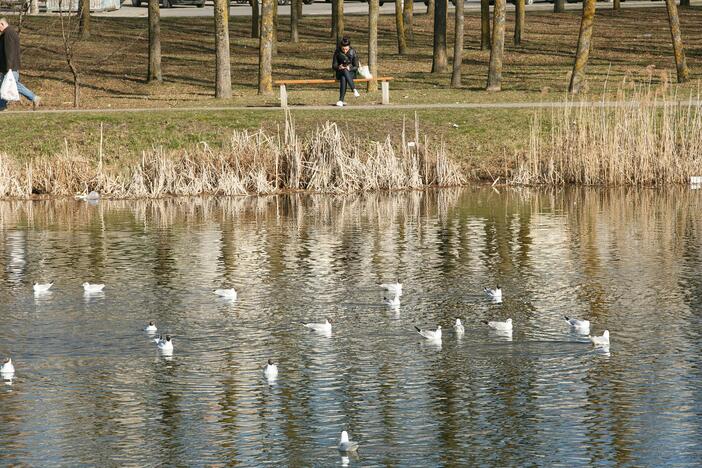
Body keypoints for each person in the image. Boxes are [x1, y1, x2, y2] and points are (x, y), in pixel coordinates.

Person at [0, 17, 40, 111]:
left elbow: (9, 51)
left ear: (2, 24)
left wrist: (8, 68)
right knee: (3, 85)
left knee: (14, 85)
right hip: (9, 66)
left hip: (10, 66)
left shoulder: (8, 34)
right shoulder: (8, 33)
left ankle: (34, 98)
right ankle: (2, 105)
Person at [332, 36, 359, 108]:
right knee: (343, 71)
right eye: (343, 49)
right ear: (341, 47)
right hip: (339, 72)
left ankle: (341, 100)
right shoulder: (337, 52)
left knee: (344, 77)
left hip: (351, 73)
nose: (345, 51)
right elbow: (333, 66)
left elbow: (356, 66)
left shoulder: (353, 51)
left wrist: (349, 68)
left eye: (346, 49)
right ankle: (354, 89)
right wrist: (339, 67)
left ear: (349, 47)